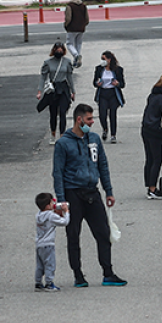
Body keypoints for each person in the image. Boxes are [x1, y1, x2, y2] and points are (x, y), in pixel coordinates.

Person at [52, 103, 126, 288]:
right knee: (73, 235)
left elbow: (103, 165)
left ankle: (108, 273)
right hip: (73, 194)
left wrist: (108, 191)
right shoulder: (63, 143)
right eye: (89, 119)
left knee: (103, 233)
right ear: (79, 120)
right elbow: (58, 173)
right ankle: (78, 274)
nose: (92, 122)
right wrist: (61, 200)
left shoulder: (94, 139)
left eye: (92, 119)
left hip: (92, 192)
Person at [141, 73, 162, 200]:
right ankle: (153, 189)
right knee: (157, 159)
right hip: (155, 131)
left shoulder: (152, 95)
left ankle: (149, 185)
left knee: (149, 159)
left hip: (146, 129)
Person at [37, 42, 75, 145]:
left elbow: (69, 77)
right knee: (53, 113)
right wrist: (40, 91)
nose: (59, 51)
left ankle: (62, 135)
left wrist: (73, 91)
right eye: (57, 49)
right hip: (53, 89)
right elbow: (43, 77)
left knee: (63, 112)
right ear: (54, 50)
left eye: (61, 49)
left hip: (63, 88)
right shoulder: (48, 62)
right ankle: (53, 134)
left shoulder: (67, 62)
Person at [33, 193, 70, 292]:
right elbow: (64, 222)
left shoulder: (38, 215)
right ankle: (49, 283)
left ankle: (38, 283)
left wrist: (56, 213)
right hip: (48, 244)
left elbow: (51, 220)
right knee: (50, 264)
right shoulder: (50, 215)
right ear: (48, 206)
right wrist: (66, 212)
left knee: (40, 265)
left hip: (39, 244)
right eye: (52, 202)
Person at [92, 50, 125, 143]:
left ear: (109, 60)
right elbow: (94, 82)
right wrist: (97, 83)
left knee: (112, 114)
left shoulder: (118, 70)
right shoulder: (99, 69)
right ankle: (105, 129)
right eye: (101, 59)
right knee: (102, 114)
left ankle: (113, 135)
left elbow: (122, 84)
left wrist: (117, 83)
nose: (102, 61)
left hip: (113, 94)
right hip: (103, 93)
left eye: (104, 59)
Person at [63, 0, 90, 67]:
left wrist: (66, 25)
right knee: (78, 44)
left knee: (69, 44)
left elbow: (68, 18)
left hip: (72, 28)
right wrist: (84, 25)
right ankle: (77, 60)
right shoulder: (83, 6)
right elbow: (87, 19)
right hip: (81, 28)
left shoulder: (70, 6)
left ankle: (76, 56)